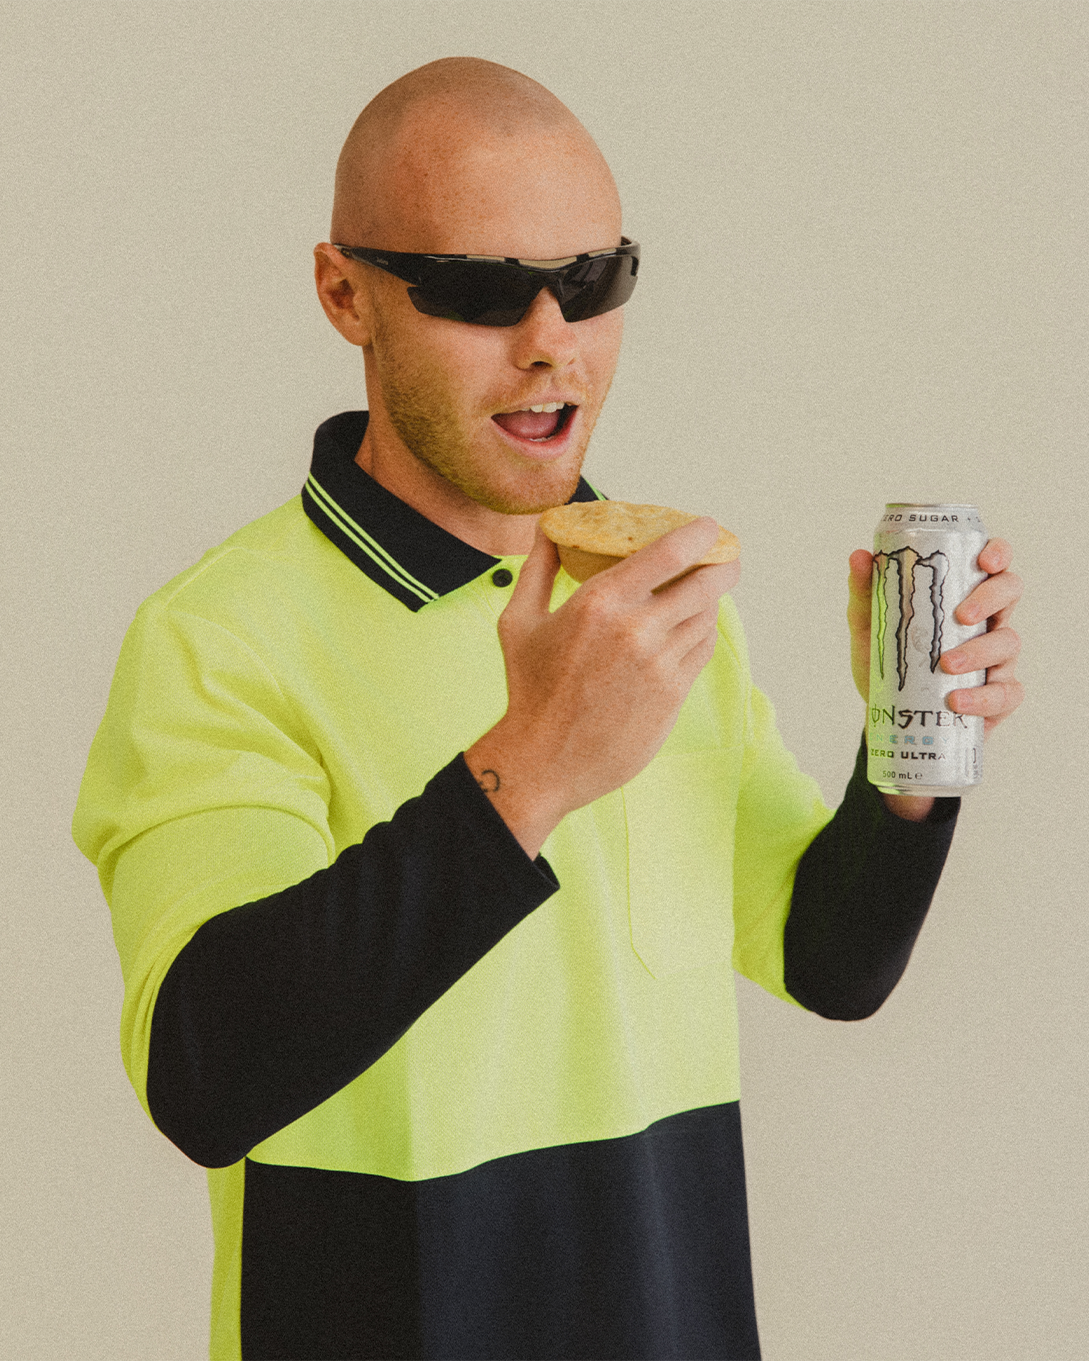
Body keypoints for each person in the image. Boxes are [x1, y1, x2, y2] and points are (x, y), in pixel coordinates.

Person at [72, 56, 1024, 1361]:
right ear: (344, 292)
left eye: (590, 283)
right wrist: (535, 763)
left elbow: (828, 957)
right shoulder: (215, 642)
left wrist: (910, 751)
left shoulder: (646, 602)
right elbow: (207, 1076)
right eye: (474, 290)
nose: (550, 343)